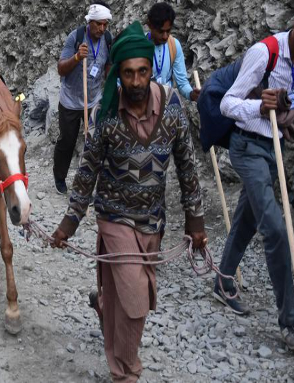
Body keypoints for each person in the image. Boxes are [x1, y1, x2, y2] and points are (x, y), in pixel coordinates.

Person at [50, 21, 206, 383]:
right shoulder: (106, 114)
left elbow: (187, 165)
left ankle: (104, 308)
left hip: (153, 220)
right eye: (128, 74)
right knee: (136, 298)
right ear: (118, 74)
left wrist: (195, 222)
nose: (136, 82)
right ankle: (126, 373)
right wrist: (68, 224)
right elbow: (87, 171)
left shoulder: (171, 108)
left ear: (151, 70)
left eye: (142, 72)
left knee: (135, 293)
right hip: (115, 217)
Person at [214, 0, 294, 350]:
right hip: (247, 145)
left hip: (273, 148)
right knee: (276, 229)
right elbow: (227, 103)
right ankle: (290, 323)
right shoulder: (264, 52)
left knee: (248, 219)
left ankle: (223, 280)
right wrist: (259, 104)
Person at [53, 2, 113, 195]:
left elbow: (108, 69)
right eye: (98, 25)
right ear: (90, 22)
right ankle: (60, 177)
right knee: (67, 142)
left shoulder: (108, 39)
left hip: (94, 100)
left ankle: (90, 183)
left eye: (105, 24)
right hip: (70, 100)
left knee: (94, 143)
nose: (102, 29)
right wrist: (77, 57)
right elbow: (61, 68)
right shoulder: (76, 37)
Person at [145, 2, 199, 101]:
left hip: (165, 102)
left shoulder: (174, 45)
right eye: (161, 31)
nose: (165, 36)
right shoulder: (138, 46)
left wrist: (191, 94)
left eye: (168, 31)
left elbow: (182, 82)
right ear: (150, 25)